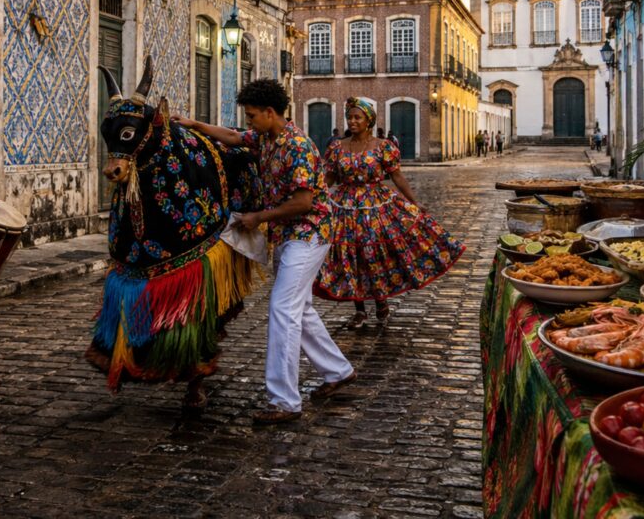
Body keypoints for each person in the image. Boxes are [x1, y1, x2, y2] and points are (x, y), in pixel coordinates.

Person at [175, 79, 355, 425]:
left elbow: (304, 202)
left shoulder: (298, 146)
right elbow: (233, 136)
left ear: (271, 113)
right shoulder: (266, 138)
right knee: (299, 309)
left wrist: (258, 217)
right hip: (287, 235)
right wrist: (196, 125)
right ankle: (338, 371)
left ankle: (285, 401)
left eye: (254, 115)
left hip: (309, 233)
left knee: (283, 307)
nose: (250, 121)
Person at [316, 98, 465, 328]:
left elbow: (397, 177)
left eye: (358, 117)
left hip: (375, 205)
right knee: (350, 255)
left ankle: (380, 300)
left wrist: (413, 202)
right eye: (350, 117)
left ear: (369, 121)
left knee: (374, 253)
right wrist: (316, 198)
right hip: (344, 207)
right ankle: (359, 309)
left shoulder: (383, 147)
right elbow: (330, 178)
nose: (352, 121)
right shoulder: (337, 147)